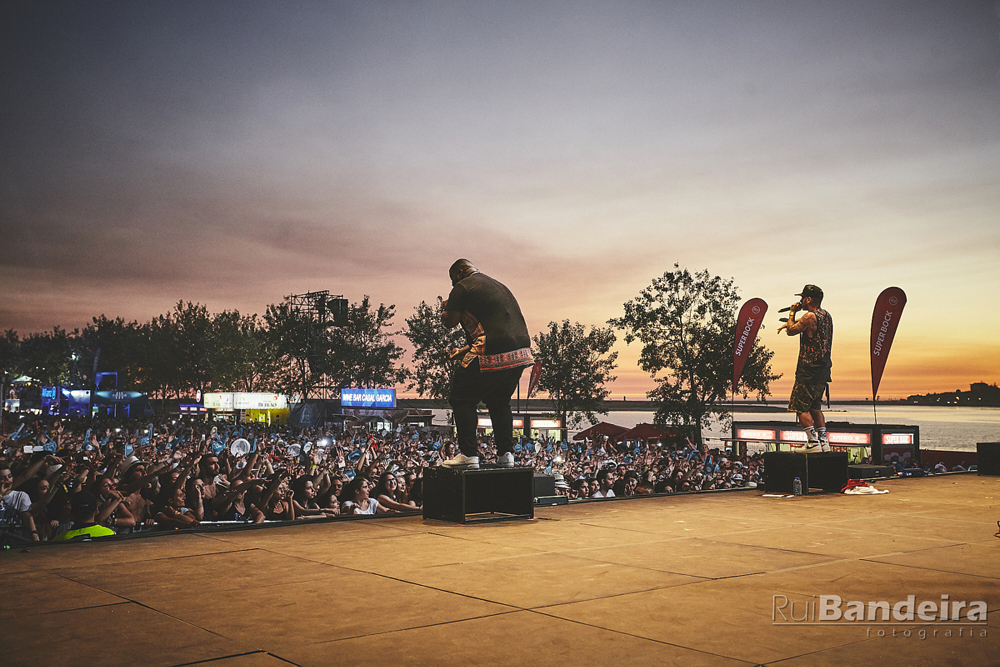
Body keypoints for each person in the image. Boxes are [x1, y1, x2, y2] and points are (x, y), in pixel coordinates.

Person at [441, 259, 535, 469]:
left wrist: (445, 308)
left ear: (458, 274)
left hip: (491, 349)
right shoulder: (497, 285)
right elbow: (495, 329)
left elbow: (449, 321)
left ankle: (468, 455)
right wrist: (462, 352)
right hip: (520, 352)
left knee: (461, 397)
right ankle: (506, 454)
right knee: (499, 401)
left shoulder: (463, 286)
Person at [777, 284, 833, 452]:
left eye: (802, 298)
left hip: (808, 369)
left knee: (799, 406)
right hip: (823, 369)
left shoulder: (809, 316)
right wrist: (790, 324)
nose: (800, 301)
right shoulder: (826, 315)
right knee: (815, 407)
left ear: (808, 299)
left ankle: (812, 442)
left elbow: (792, 331)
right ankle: (824, 442)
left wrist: (793, 312)